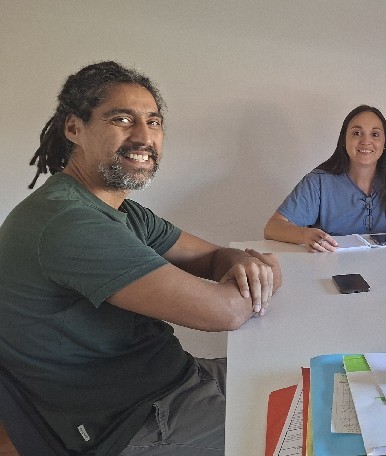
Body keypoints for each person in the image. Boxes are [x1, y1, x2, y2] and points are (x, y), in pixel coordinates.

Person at [0, 61, 283, 455]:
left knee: (313, 386)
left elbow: (214, 256)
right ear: (74, 128)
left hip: (177, 380)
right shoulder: (69, 222)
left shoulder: (123, 212)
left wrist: (240, 261)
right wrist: (264, 271)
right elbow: (226, 312)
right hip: (134, 422)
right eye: (122, 119)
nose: (144, 136)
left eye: (154, 121)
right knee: (317, 438)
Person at [264, 105, 386, 252]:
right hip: (331, 273)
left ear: (385, 143)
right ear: (344, 140)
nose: (366, 141)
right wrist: (305, 235)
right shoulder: (318, 182)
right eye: (357, 133)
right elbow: (273, 227)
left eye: (375, 134)